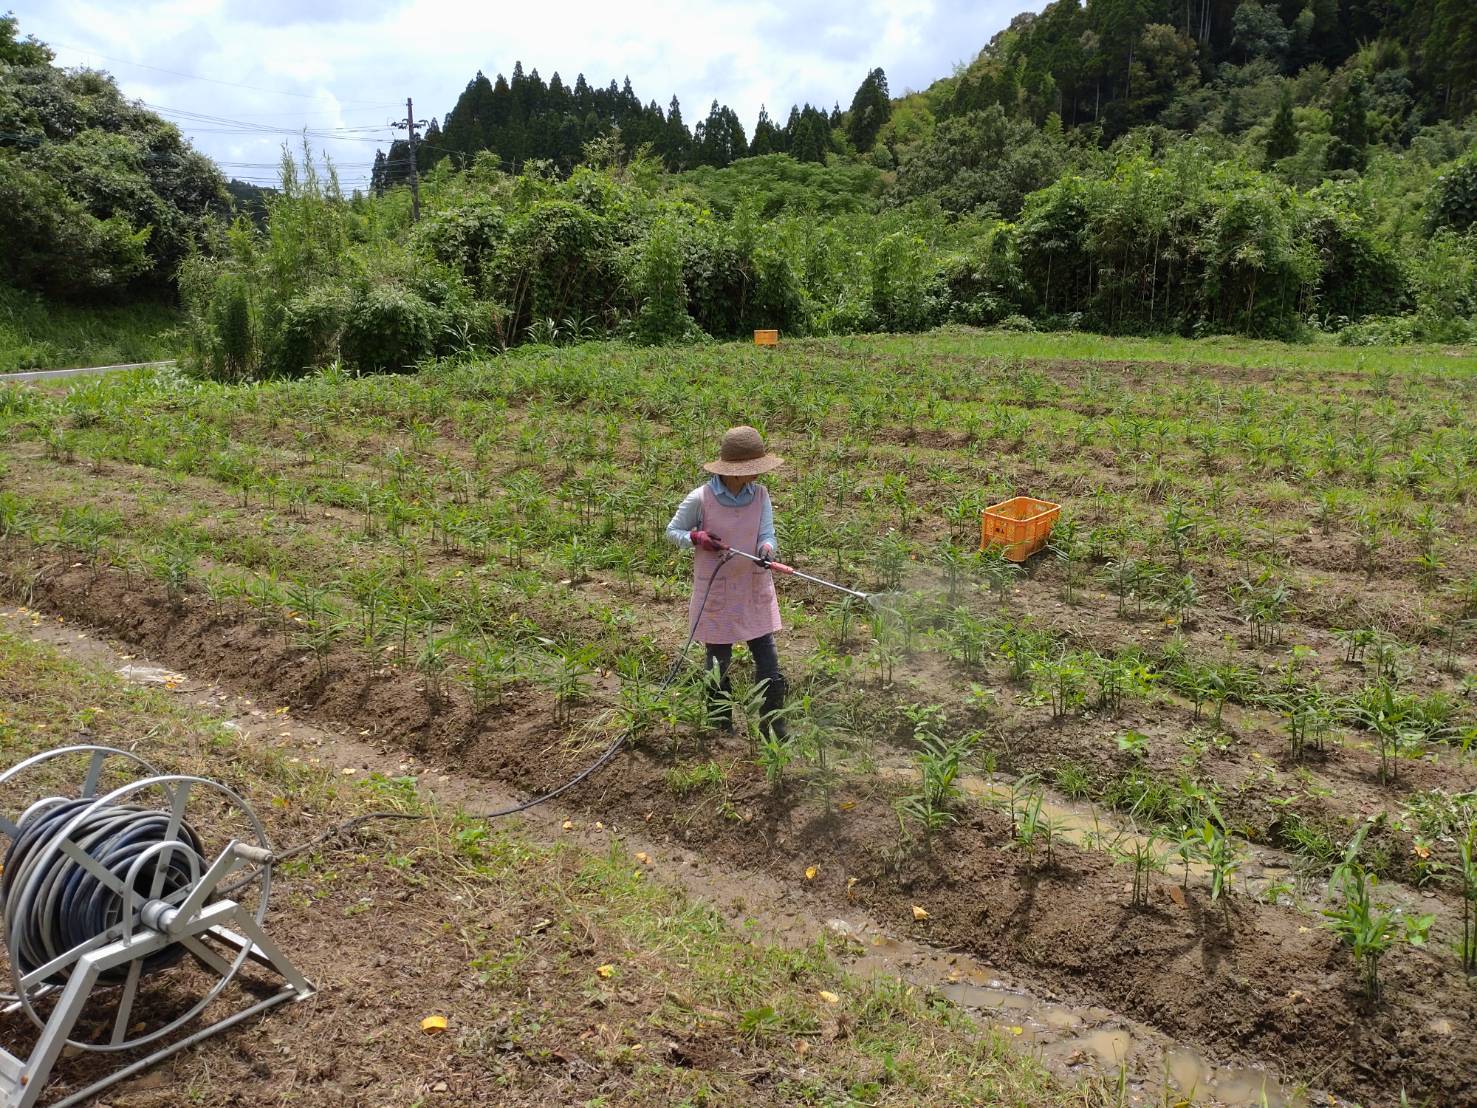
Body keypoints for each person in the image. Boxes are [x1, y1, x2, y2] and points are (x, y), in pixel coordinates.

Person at [665, 425, 787, 738]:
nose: (759, 475)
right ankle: (721, 730)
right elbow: (672, 531)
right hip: (717, 592)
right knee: (718, 664)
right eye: (753, 469)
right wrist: (696, 537)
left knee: (769, 664)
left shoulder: (760, 495)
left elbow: (767, 533)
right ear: (734, 471)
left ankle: (772, 728)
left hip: (752, 587)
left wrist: (766, 549)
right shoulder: (701, 498)